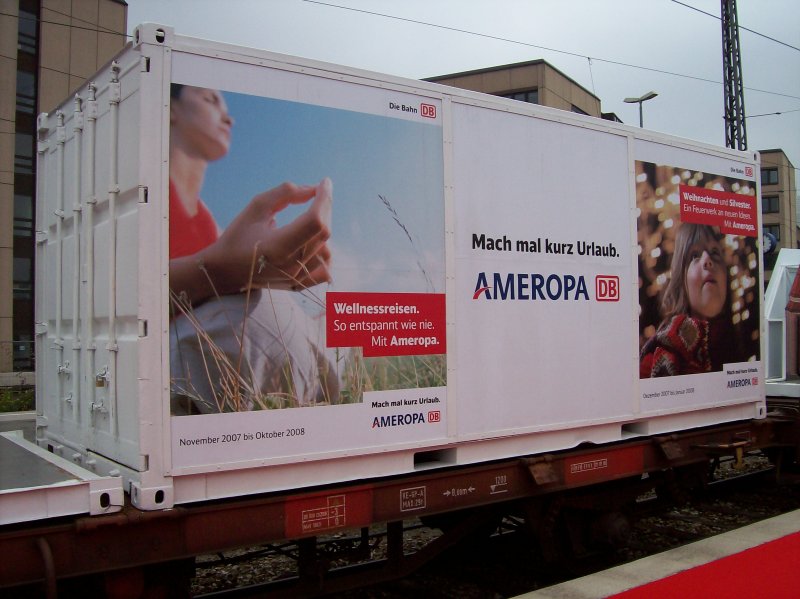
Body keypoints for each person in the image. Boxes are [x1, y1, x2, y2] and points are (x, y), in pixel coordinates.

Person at [167, 84, 338, 413]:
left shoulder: (205, 220)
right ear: (171, 109)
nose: (228, 118)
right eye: (209, 99)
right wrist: (218, 270)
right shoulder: (151, 197)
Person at [639, 223, 740, 378]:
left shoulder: (741, 349)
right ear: (681, 280)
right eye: (694, 255)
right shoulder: (652, 362)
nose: (708, 260)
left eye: (715, 252)